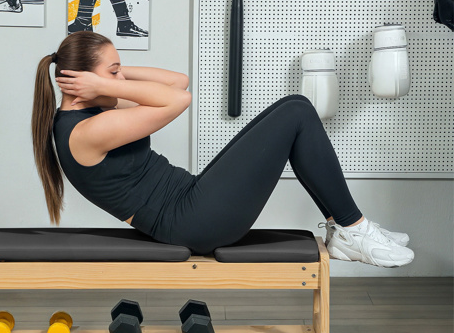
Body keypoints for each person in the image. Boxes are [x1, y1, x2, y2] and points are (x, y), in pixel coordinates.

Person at [31, 32, 414, 268]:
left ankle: (345, 227)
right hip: (192, 222)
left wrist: (110, 78)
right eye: (114, 70)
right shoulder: (84, 132)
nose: (122, 77)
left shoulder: (100, 111)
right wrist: (110, 84)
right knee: (296, 111)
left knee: (292, 109)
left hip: (192, 204)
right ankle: (353, 229)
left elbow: (177, 84)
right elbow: (178, 102)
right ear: (78, 82)